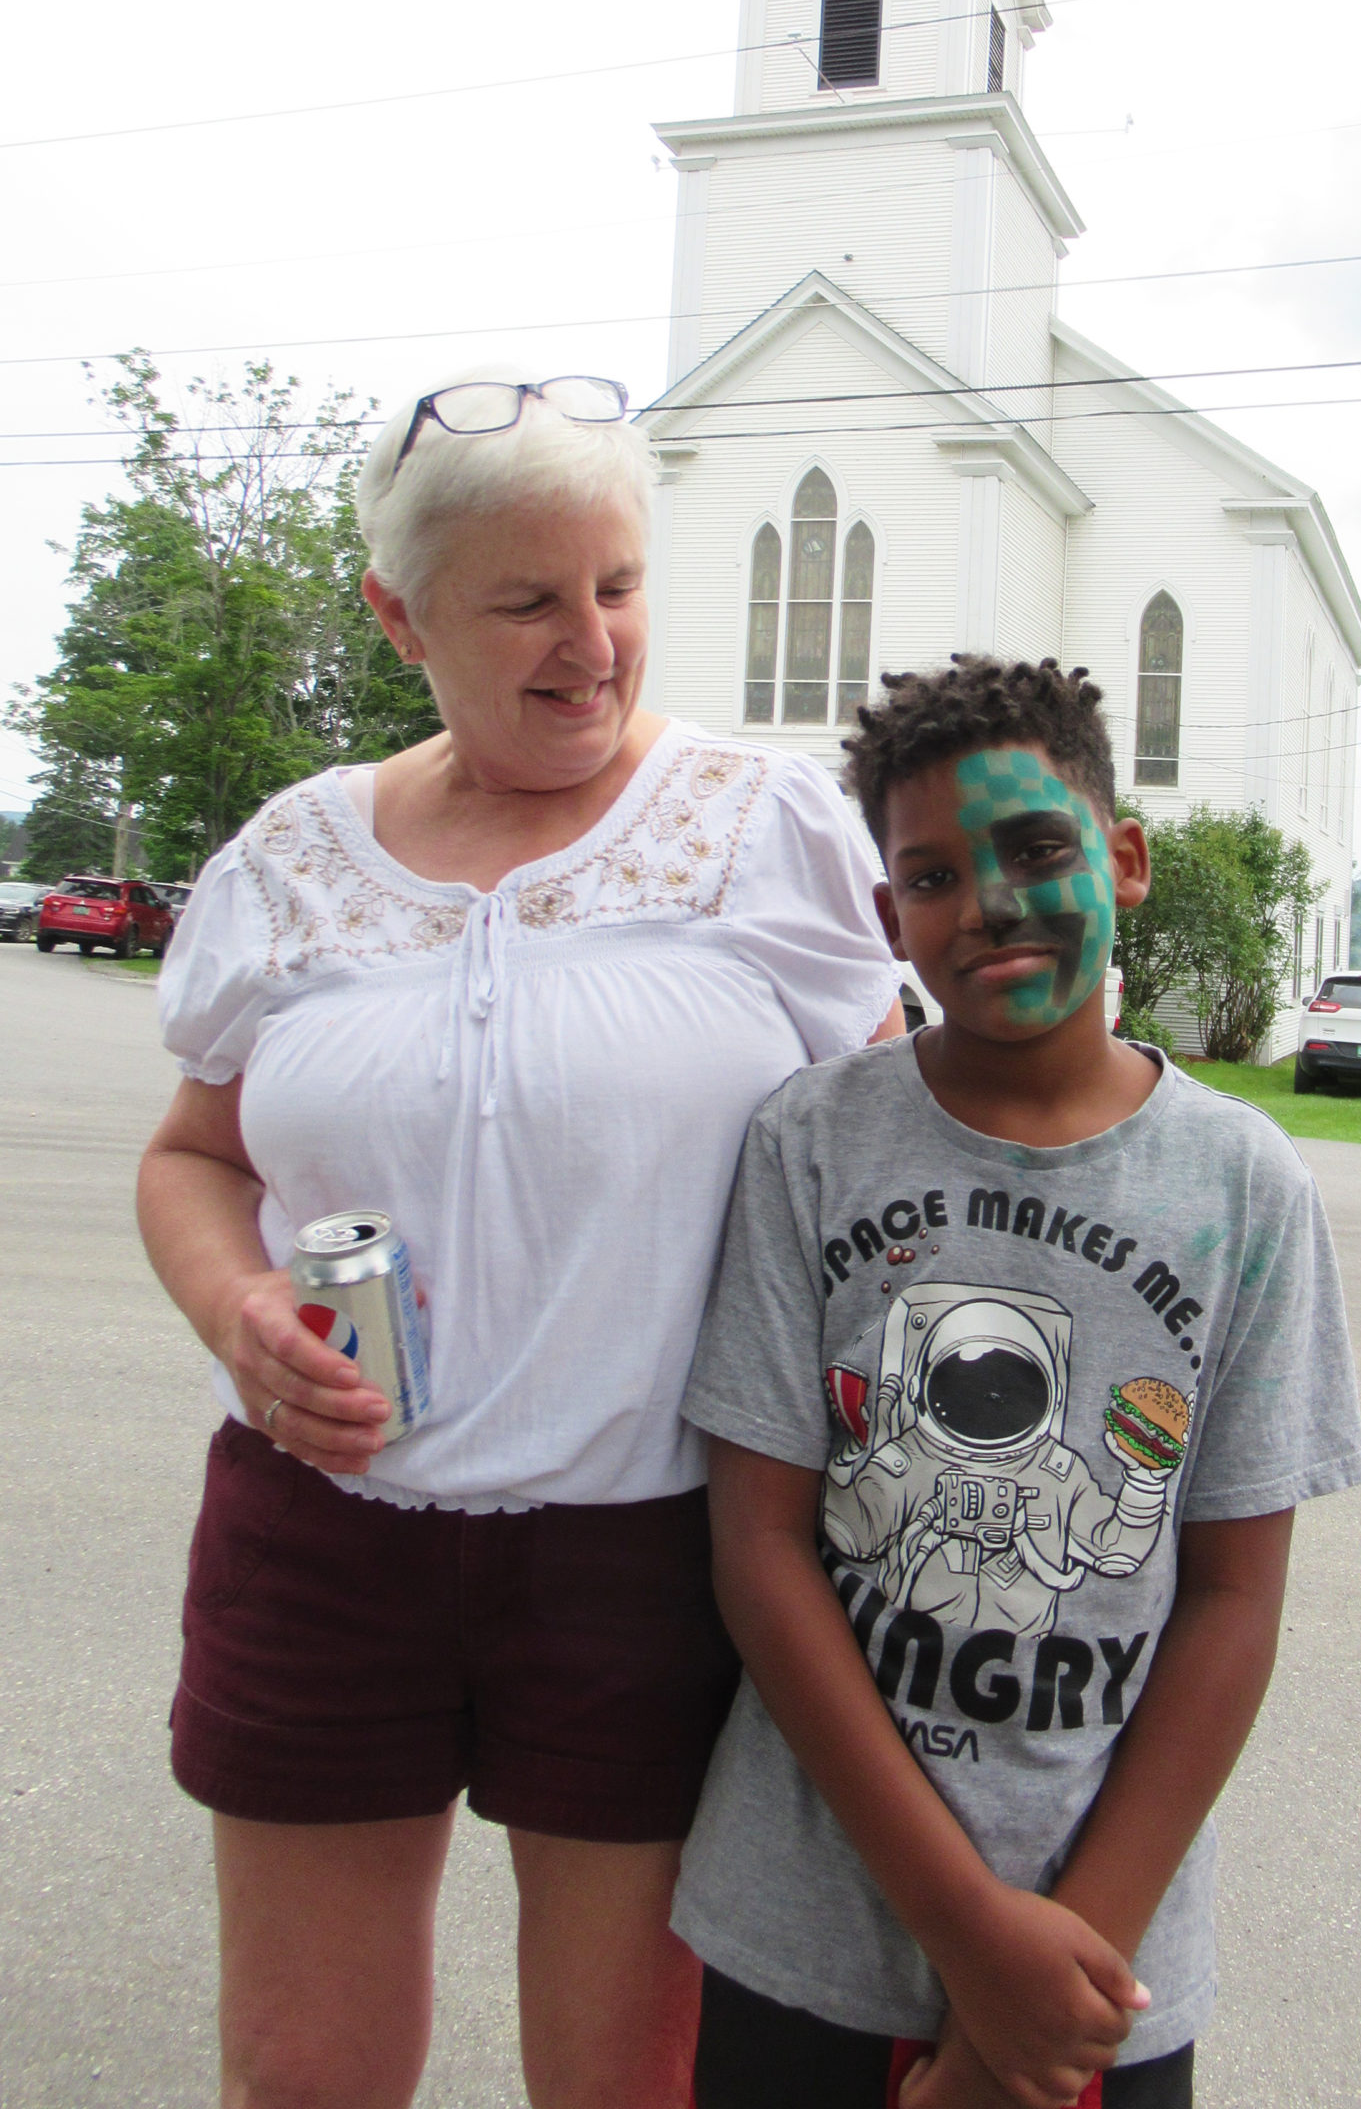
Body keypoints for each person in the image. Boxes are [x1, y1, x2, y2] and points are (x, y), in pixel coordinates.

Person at [136, 371, 903, 2109]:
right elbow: (192, 1152)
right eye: (529, 602)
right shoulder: (292, 859)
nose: (594, 645)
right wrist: (236, 1300)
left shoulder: (760, 828)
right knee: (299, 2076)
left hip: (650, 1556)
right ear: (398, 614)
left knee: (624, 2082)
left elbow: (890, 1150)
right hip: (321, 1542)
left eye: (619, 586)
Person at [673, 655, 1361, 2109]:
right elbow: (760, 1550)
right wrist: (969, 1935)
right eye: (932, 876)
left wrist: (1035, 1995)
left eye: (1039, 849)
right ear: (889, 921)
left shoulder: (1243, 1188)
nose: (990, 902)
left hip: (1097, 1975)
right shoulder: (810, 1146)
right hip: (806, 1935)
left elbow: (1234, 1599)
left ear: (1123, 856)